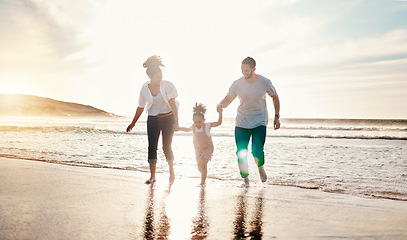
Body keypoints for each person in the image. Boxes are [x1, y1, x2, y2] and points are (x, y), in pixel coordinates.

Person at [217, 56, 280, 187]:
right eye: (242, 70)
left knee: (257, 151)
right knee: (241, 152)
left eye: (246, 70)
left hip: (259, 121)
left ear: (253, 69)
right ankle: (245, 179)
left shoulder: (264, 82)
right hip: (242, 122)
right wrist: (221, 105)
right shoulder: (237, 84)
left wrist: (277, 116)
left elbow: (275, 97)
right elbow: (228, 99)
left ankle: (260, 167)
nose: (244, 73)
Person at [126, 55, 179, 184]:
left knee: (167, 146)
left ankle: (171, 171)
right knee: (152, 147)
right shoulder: (145, 89)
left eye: (161, 75)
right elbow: (140, 107)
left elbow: (172, 103)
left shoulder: (167, 85)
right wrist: (133, 123)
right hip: (153, 119)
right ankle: (152, 176)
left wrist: (177, 121)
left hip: (168, 118)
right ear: (150, 77)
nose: (160, 78)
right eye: (157, 77)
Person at [178, 103, 223, 185]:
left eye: (199, 122)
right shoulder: (193, 127)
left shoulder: (207, 126)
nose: (198, 124)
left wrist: (220, 113)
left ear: (204, 120)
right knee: (199, 167)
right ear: (193, 120)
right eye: (195, 122)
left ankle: (202, 182)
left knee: (204, 164)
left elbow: (218, 123)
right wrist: (179, 128)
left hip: (207, 148)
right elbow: (187, 129)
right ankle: (204, 174)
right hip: (198, 150)